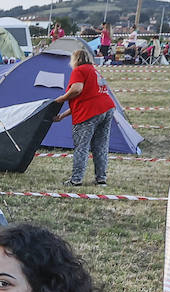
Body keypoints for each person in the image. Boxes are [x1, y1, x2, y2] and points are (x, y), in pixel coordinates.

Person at [54, 48, 115, 188]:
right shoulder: (93, 70)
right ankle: (101, 179)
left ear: (75, 59)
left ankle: (76, 179)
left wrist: (61, 99)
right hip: (106, 108)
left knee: (81, 147)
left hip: (90, 113)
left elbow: (76, 90)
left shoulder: (79, 71)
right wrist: (62, 116)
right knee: (101, 146)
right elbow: (85, 99)